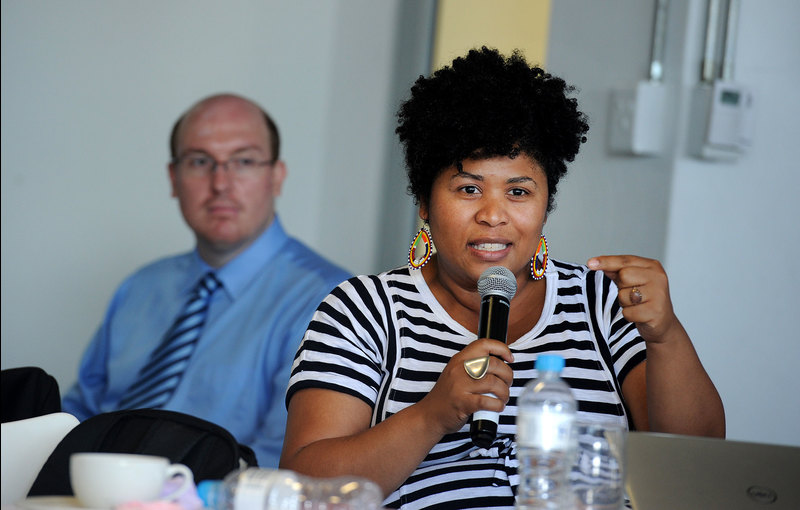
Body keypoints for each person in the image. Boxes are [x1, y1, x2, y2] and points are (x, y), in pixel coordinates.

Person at [279, 48, 725, 508]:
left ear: (545, 205)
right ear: (425, 206)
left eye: (518, 191)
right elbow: (304, 488)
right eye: (468, 189)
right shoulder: (363, 310)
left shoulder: (603, 302)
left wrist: (664, 335)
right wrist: (432, 415)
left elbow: (697, 468)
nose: (493, 215)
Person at [62, 93, 350, 468]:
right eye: (200, 162)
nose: (220, 183)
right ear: (173, 178)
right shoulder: (140, 288)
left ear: (276, 177)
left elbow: (285, 468)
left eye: (243, 161)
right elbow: (74, 419)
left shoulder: (332, 303)